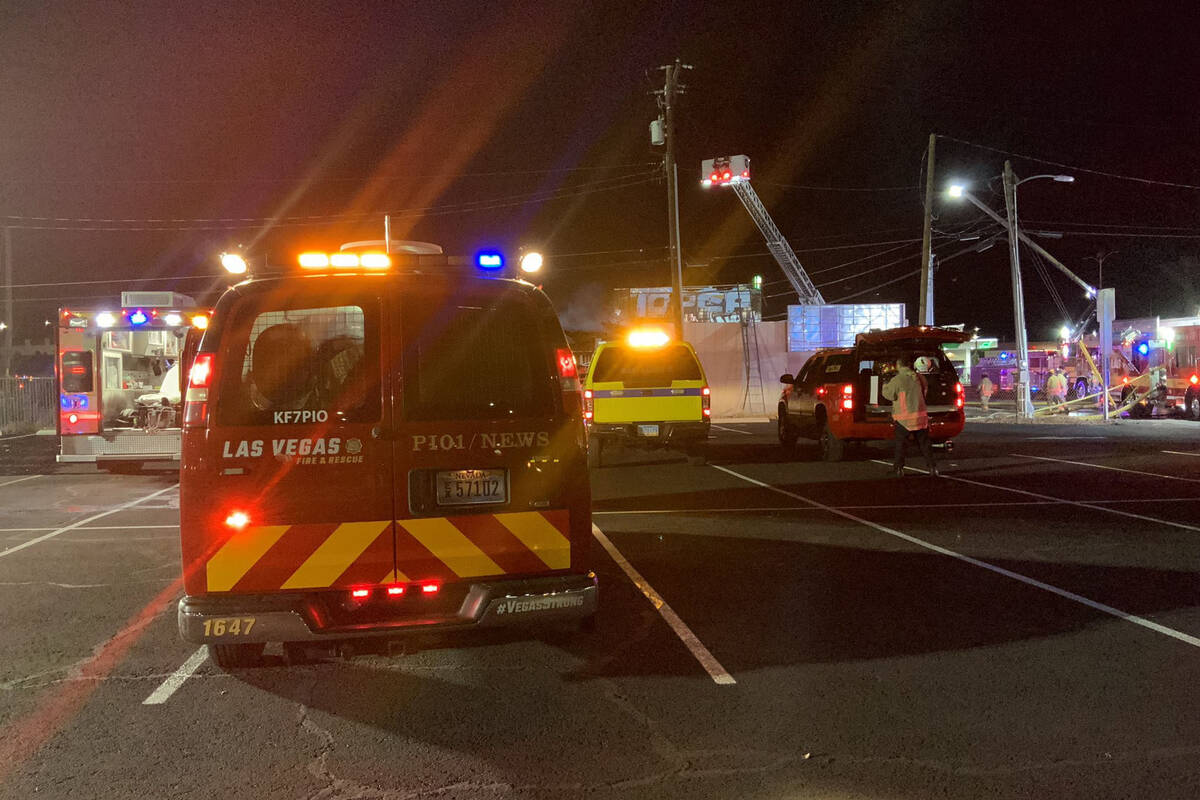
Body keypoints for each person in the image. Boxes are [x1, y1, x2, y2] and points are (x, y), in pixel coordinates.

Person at [881, 355, 939, 477]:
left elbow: (889, 395)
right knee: (925, 444)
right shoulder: (920, 377)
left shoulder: (898, 379)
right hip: (921, 417)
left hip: (904, 420)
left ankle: (898, 469)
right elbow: (924, 393)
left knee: (901, 445)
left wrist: (884, 385)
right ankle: (933, 468)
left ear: (899, 365)